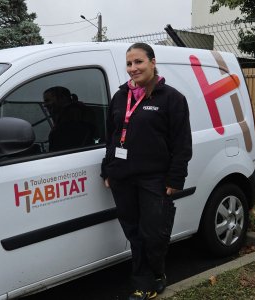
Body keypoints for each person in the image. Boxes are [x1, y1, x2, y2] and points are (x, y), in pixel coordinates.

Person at [101, 43, 192, 300]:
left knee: (153, 233)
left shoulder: (171, 98)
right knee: (134, 232)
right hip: (122, 177)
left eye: (138, 62)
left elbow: (182, 143)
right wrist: (107, 169)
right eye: (129, 63)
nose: (133, 68)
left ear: (153, 62)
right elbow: (112, 136)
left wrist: (176, 178)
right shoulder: (120, 97)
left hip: (155, 178)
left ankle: (156, 273)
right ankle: (146, 283)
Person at [43, 86, 95, 151]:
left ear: (62, 98)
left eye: (47, 101)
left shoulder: (73, 116)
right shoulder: (68, 114)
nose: (45, 105)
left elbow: (63, 144)